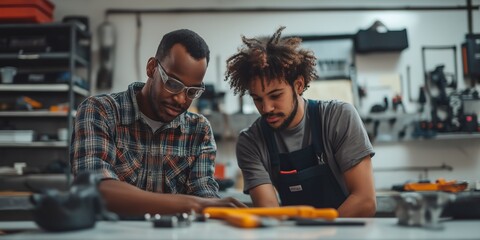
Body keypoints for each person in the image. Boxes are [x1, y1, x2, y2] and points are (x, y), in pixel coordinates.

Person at [71, 29, 246, 217]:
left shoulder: (199, 130)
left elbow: (205, 196)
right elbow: (96, 190)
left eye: (192, 91)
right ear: (152, 68)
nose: (180, 99)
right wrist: (194, 204)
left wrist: (204, 204)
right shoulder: (100, 111)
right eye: (173, 84)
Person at [224, 26, 376, 217]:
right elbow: (271, 212)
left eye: (275, 95)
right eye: (258, 99)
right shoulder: (251, 142)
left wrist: (318, 233)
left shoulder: (338, 117)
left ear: (299, 85)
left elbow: (365, 201)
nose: (266, 108)